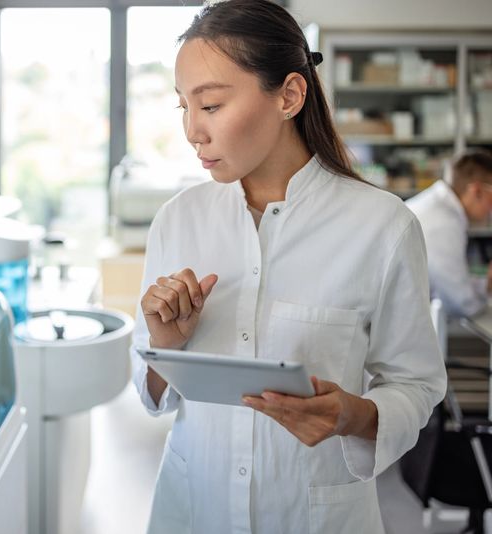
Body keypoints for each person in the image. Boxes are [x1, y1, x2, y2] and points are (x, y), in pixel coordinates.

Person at [130, 1, 447, 533]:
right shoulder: (178, 220)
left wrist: (351, 415)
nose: (192, 130)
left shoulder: (382, 226)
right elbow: (151, 392)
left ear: (290, 95)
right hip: (193, 508)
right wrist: (165, 344)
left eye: (209, 106)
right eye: (182, 106)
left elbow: (415, 385)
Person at [406, 149, 492, 317]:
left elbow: (455, 281)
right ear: (477, 191)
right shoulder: (443, 223)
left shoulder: (440, 207)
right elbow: (461, 302)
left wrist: (486, 285)